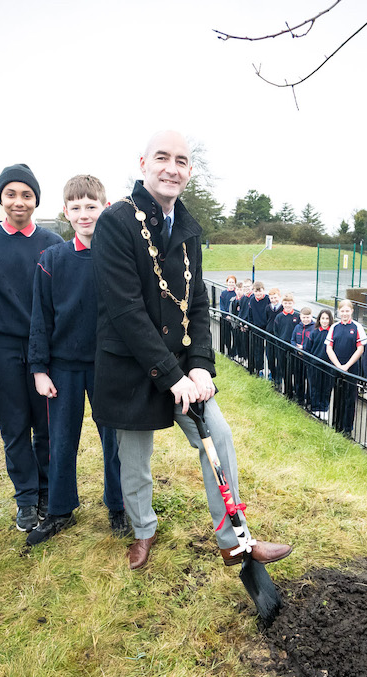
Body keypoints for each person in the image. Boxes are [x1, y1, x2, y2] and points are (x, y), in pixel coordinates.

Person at [90, 129, 291, 571]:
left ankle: (233, 539)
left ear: (190, 171)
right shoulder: (115, 222)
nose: (171, 167)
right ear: (142, 164)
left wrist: (200, 366)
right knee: (135, 460)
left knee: (217, 439)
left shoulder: (188, 227)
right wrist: (172, 375)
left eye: (181, 160)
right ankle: (143, 530)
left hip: (181, 364)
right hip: (129, 365)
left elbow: (198, 300)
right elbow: (124, 310)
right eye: (161, 158)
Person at [28, 175, 127, 545]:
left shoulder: (118, 257)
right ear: (66, 211)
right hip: (64, 367)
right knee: (61, 441)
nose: (84, 215)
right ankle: (60, 510)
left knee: (113, 441)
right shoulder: (52, 259)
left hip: (108, 366)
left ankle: (118, 505)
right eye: (77, 208)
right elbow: (41, 317)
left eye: (91, 206)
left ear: (105, 207)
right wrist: (39, 369)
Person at [0, 164, 64, 533]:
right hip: (1, 350)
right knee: (15, 428)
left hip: (45, 350)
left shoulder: (53, 244)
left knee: (47, 427)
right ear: (1, 198)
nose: (18, 202)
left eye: (26, 194)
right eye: (11, 194)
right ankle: (25, 498)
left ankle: (46, 491)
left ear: (36, 199)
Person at [326, 300, 365, 435]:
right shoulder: (334, 327)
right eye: (342, 311)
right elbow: (329, 348)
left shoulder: (357, 327)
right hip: (337, 367)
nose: (344, 313)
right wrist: (338, 366)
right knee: (337, 396)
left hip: (351, 368)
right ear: (338, 312)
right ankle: (336, 424)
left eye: (347, 311)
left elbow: (360, 349)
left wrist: (347, 366)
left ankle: (347, 428)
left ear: (352, 311)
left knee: (350, 398)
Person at [303, 309, 334, 419]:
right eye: (322, 318)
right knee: (315, 387)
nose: (325, 321)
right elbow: (307, 349)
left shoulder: (333, 333)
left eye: (327, 318)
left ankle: (324, 408)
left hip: (329, 366)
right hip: (315, 365)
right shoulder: (314, 332)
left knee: (326, 388)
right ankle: (315, 408)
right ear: (319, 320)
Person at [267, 292, 299, 391]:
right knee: (283, 367)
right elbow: (276, 331)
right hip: (282, 346)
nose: (288, 305)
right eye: (285, 303)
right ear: (283, 304)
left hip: (293, 347)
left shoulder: (297, 316)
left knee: (294, 368)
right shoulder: (279, 317)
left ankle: (294, 389)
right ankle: (286, 388)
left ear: (293, 303)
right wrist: (279, 343)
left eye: (290, 303)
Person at [289, 306, 317, 404]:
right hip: (298, 356)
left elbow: (314, 342)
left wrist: (303, 348)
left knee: (309, 380)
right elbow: (292, 339)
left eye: (307, 317)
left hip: (308, 358)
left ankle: (309, 400)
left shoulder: (314, 328)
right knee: (298, 377)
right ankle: (299, 398)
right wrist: (296, 348)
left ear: (311, 316)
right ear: (300, 317)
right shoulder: (297, 327)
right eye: (304, 317)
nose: (305, 319)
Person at [241, 281, 270, 376]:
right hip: (256, 328)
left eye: (260, 291)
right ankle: (259, 369)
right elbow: (250, 314)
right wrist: (249, 324)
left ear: (263, 290)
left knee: (269, 351)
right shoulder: (252, 300)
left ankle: (270, 371)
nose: (258, 293)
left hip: (266, 328)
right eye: (256, 291)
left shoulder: (267, 300)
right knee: (258, 350)